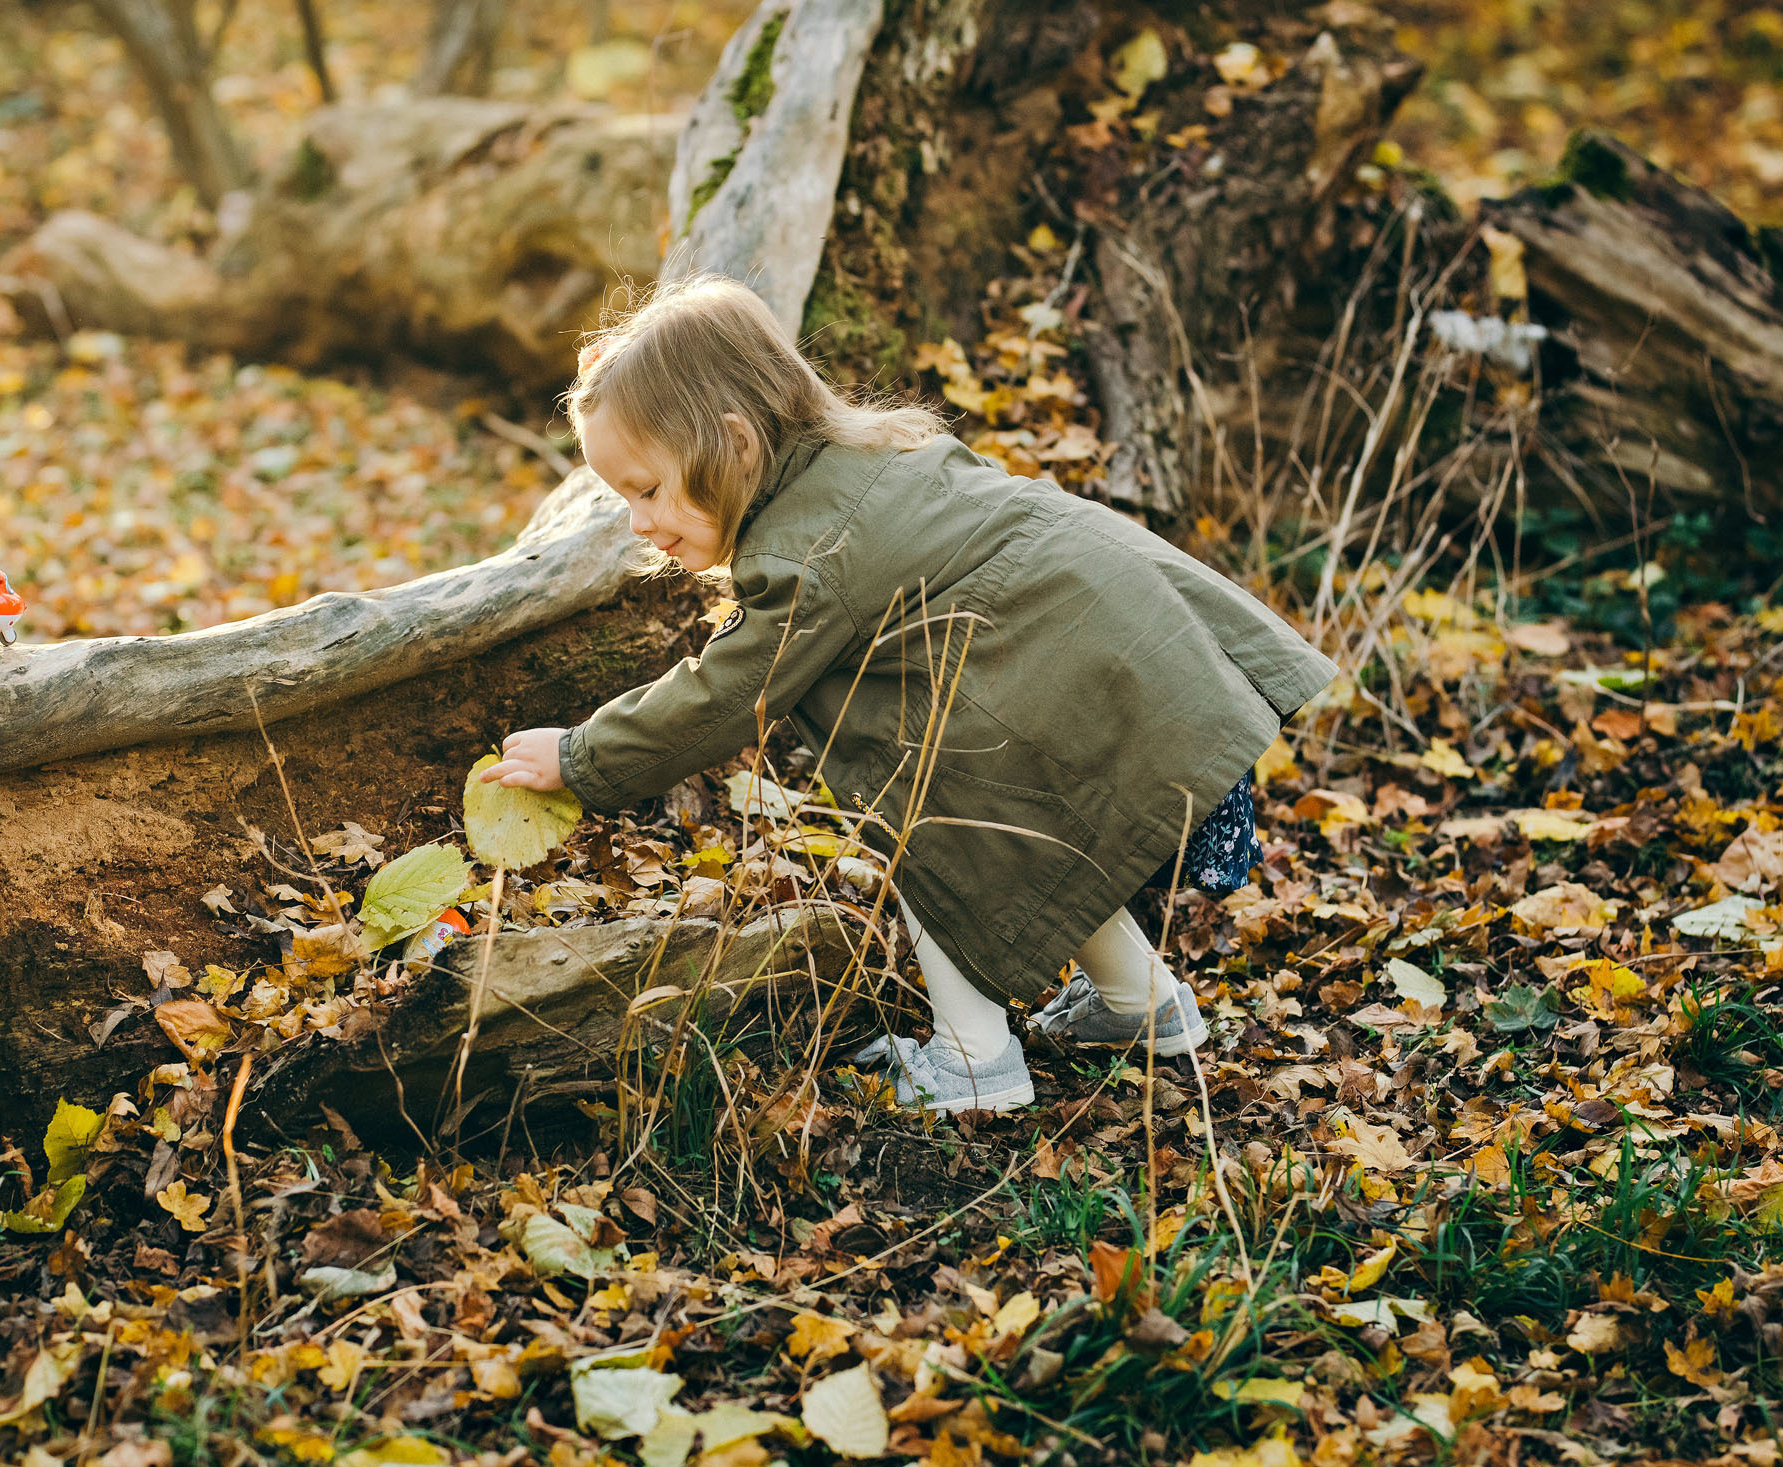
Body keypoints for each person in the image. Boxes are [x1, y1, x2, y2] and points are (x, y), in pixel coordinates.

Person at [480, 275, 1336, 1114]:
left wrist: (580, 755)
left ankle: (975, 1063)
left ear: (735, 446)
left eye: (647, 488)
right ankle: (1141, 1001)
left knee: (943, 829)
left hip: (1091, 673)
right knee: (1031, 829)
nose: (636, 520)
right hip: (1132, 652)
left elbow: (721, 695)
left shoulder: (807, 556)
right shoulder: (877, 457)